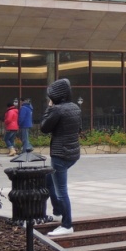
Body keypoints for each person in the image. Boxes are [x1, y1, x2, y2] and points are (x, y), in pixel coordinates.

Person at [41, 78, 82, 237]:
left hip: (60, 154)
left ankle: (66, 224)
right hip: (73, 153)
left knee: (61, 191)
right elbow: (78, 129)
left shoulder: (56, 110)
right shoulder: (75, 108)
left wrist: (49, 108)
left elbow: (44, 127)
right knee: (49, 180)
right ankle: (58, 212)